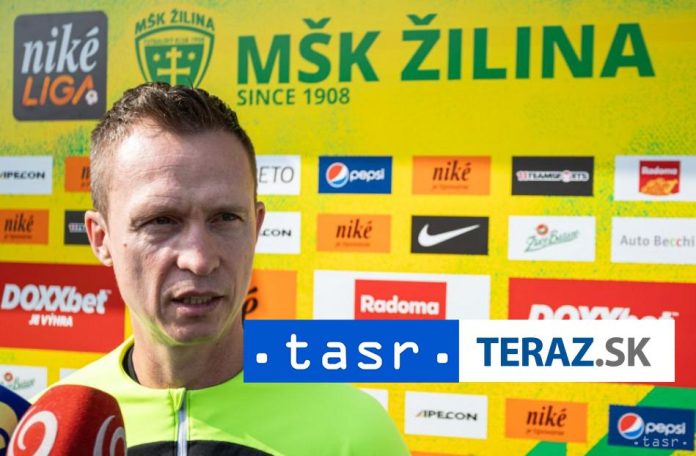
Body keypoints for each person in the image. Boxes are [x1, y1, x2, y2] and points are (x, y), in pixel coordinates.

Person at [55, 82, 409, 455]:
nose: (199, 259)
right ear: (100, 238)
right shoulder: (61, 429)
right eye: (161, 220)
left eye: (225, 218)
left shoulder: (353, 431)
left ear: (256, 228)